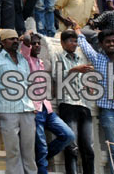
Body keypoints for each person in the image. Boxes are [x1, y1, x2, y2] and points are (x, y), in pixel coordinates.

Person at [74, 25, 114, 174]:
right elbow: (84, 44)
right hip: (109, 113)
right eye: (108, 42)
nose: (112, 44)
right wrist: (77, 30)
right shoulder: (98, 59)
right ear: (102, 44)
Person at [20, 33, 74, 174]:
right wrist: (28, 36)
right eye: (34, 43)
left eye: (38, 43)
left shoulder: (41, 63)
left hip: (47, 109)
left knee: (68, 135)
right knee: (41, 145)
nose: (37, 45)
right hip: (34, 109)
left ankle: (39, 159)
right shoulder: (25, 59)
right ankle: (41, 166)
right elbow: (25, 45)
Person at [0, 29, 37, 174]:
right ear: (2, 43)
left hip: (27, 109)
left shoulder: (23, 60)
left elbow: (27, 84)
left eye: (16, 39)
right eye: (11, 39)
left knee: (29, 150)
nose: (15, 41)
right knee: (13, 151)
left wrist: (33, 104)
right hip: (8, 111)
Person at [55, 30, 95, 174]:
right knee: (72, 146)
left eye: (75, 41)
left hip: (84, 104)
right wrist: (74, 70)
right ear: (62, 43)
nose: (74, 44)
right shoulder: (58, 57)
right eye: (71, 41)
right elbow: (57, 78)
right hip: (68, 103)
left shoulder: (80, 59)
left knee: (88, 146)